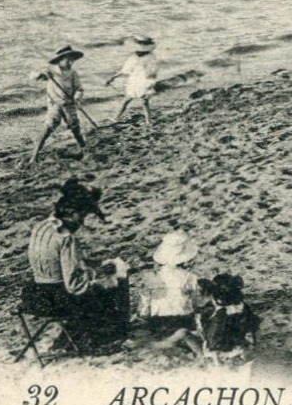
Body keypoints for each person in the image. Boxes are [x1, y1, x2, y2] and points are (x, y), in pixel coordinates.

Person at [24, 180, 129, 351]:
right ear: (71, 212)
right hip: (57, 299)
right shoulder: (66, 237)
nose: (81, 222)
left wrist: (86, 265)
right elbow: (74, 285)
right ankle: (101, 340)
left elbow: (55, 260)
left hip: (35, 293)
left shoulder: (41, 226)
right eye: (82, 215)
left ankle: (68, 337)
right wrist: (98, 273)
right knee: (106, 292)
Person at [135, 231, 204, 350]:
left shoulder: (152, 277)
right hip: (184, 320)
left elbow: (144, 308)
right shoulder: (190, 277)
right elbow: (198, 303)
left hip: (159, 323)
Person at [26, 44, 91, 166]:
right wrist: (41, 74)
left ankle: (84, 149)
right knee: (47, 129)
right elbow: (33, 77)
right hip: (55, 104)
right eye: (67, 59)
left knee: (75, 128)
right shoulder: (51, 71)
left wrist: (77, 98)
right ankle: (34, 157)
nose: (70, 62)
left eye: (72, 59)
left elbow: (79, 89)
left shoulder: (73, 73)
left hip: (69, 104)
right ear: (61, 59)